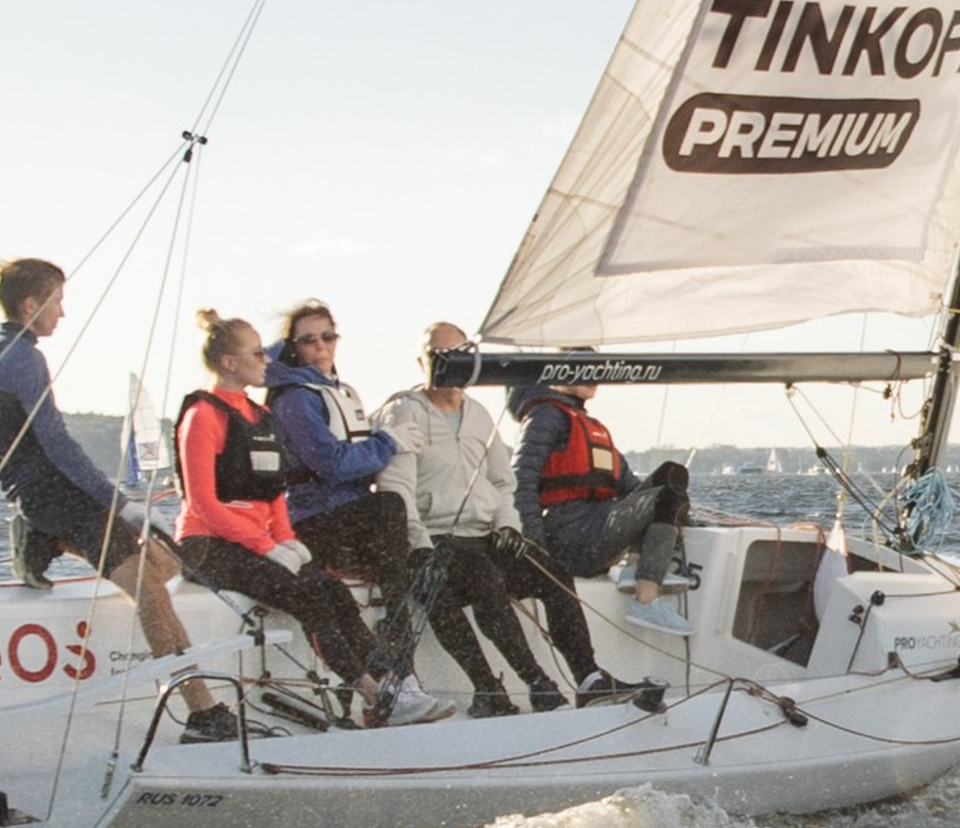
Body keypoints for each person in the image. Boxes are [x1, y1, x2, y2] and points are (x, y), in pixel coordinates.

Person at [0, 257, 235, 743]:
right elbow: (55, 441)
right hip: (52, 495)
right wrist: (120, 503)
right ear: (31, 304)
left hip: (40, 496)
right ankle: (202, 711)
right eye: (57, 302)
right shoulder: (24, 357)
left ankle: (40, 537)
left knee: (166, 561)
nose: (62, 314)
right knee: (149, 589)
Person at [172, 310, 411, 728]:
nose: (268, 359)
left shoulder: (259, 417)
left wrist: (287, 539)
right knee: (310, 595)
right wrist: (266, 546)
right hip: (209, 545)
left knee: (332, 590)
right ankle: (373, 693)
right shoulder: (203, 416)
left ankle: (393, 682)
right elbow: (203, 503)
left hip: (258, 541)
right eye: (257, 352)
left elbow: (273, 494)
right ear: (229, 363)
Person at [376, 322, 612, 714]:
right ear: (421, 361)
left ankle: (588, 678)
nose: (449, 365)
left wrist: (509, 526)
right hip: (436, 538)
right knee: (484, 578)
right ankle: (532, 683)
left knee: (552, 573)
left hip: (487, 534)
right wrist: (416, 544)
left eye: (460, 356)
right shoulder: (403, 412)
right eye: (439, 356)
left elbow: (504, 483)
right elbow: (395, 489)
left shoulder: (480, 415)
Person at [262, 303, 449, 723]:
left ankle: (403, 672)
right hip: (312, 518)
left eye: (328, 337)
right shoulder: (295, 399)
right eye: (309, 340)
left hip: (348, 515)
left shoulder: (337, 391)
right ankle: (401, 675)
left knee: (421, 549)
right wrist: (387, 442)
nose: (321, 347)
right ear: (293, 348)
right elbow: (332, 463)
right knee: (388, 510)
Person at [513, 374, 695, 636]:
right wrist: (534, 545)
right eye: (584, 370)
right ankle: (645, 599)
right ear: (557, 374)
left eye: (598, 371)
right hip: (569, 539)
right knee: (665, 495)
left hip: (596, 528)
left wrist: (683, 513)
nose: (593, 378)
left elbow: (631, 487)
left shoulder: (590, 425)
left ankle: (635, 567)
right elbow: (522, 481)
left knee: (671, 475)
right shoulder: (545, 416)